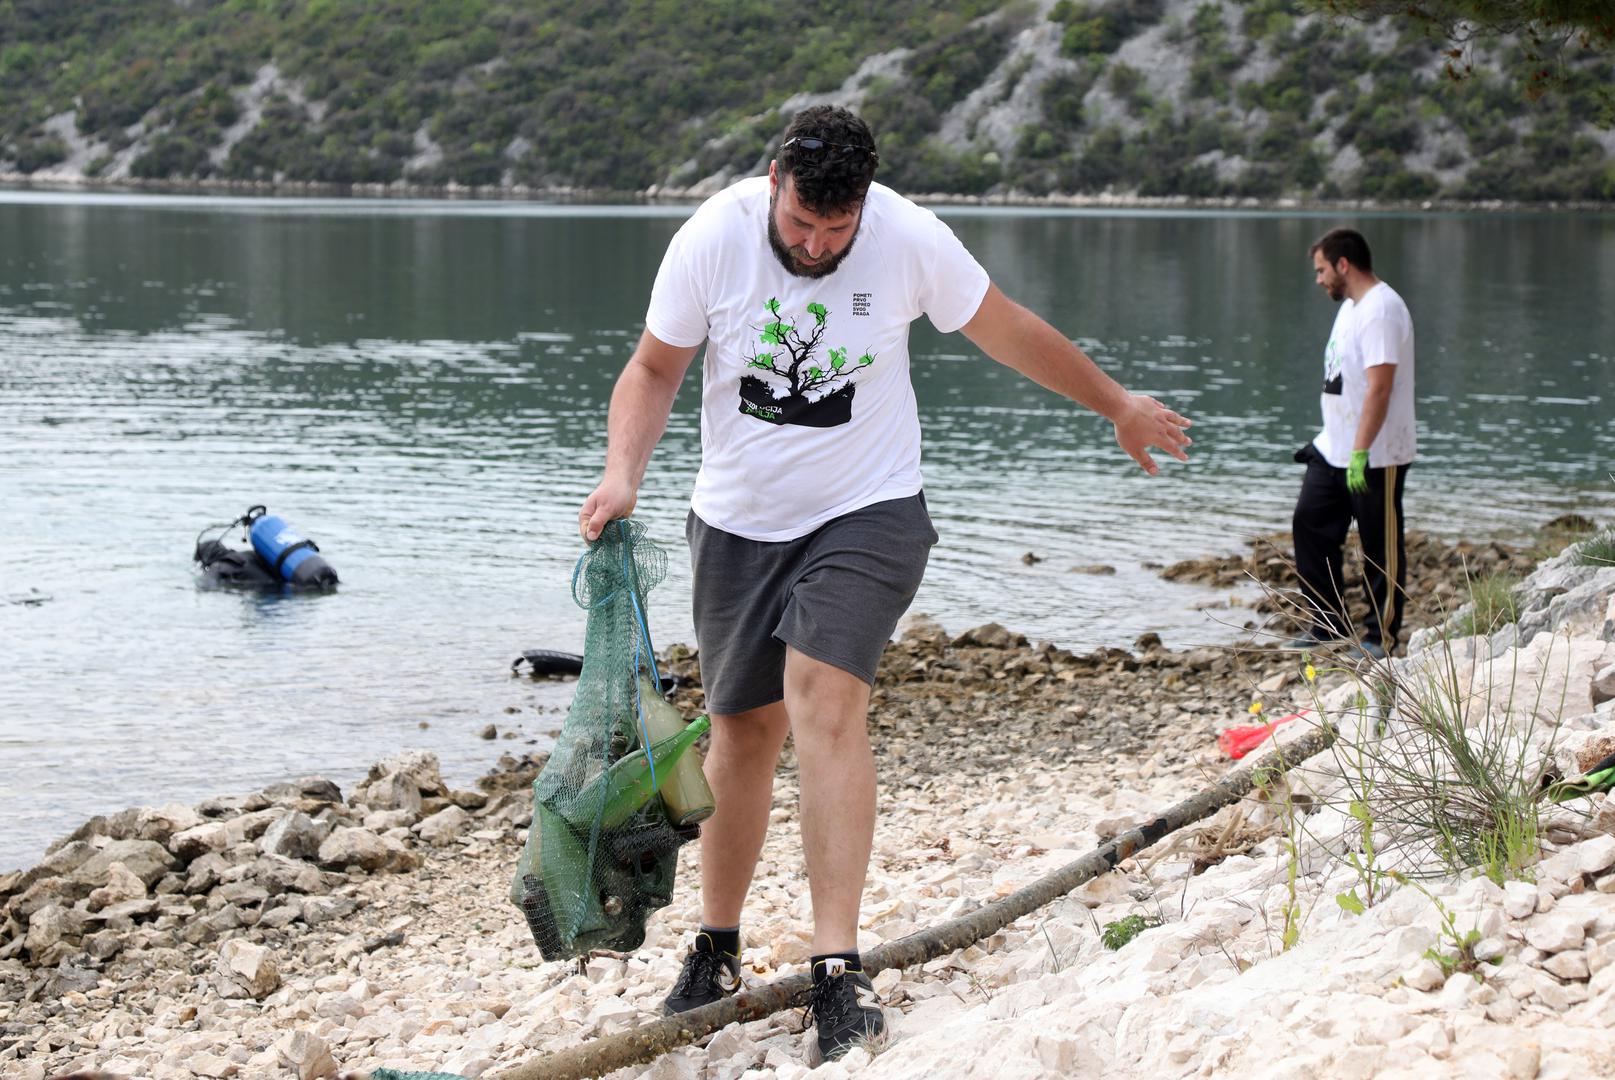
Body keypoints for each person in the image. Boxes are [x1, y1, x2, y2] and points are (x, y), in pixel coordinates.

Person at [576, 104, 1192, 1062]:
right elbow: (654, 370)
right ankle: (716, 944)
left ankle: (836, 966)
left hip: (869, 509)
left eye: (837, 227)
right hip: (736, 520)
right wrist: (623, 474)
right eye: (801, 223)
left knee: (823, 700)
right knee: (742, 733)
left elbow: (1005, 327)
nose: (817, 245)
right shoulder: (710, 237)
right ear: (773, 182)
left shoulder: (908, 237)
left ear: (863, 203)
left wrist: (1114, 403)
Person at [1284, 227, 1416, 660]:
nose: (1319, 279)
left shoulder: (1381, 310)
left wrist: (1361, 451)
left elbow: (1380, 388)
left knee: (1379, 545)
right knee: (1310, 523)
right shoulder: (1350, 307)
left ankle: (1382, 637)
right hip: (1333, 448)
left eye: (1322, 270)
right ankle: (1327, 624)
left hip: (1376, 454)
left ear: (1343, 264)